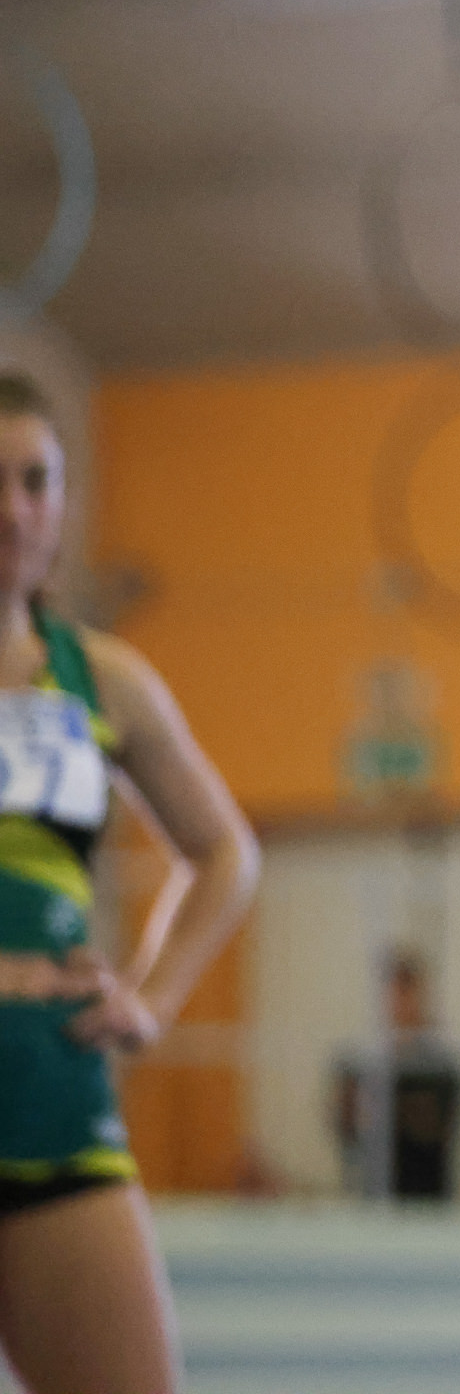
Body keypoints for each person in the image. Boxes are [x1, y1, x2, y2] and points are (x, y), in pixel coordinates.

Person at [0, 368, 261, 1394]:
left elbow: (225, 852)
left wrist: (152, 997)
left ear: (63, 502)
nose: (13, 509)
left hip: (52, 1091)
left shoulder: (102, 679)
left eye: (36, 480)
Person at [330, 948, 460, 1202]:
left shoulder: (443, 1067)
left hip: (430, 1200)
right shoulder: (357, 1065)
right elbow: (347, 1129)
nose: (397, 1003)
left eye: (405, 991)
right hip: (371, 1196)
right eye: (390, 992)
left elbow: (434, 1131)